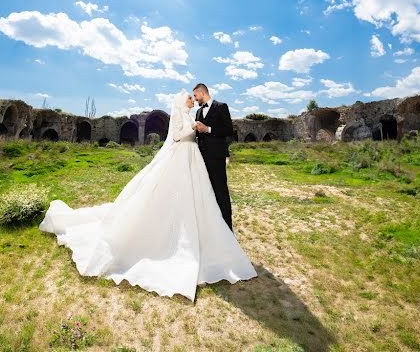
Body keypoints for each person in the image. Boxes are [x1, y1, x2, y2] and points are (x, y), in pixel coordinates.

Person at [39, 89, 257, 301]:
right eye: (190, 98)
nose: (193, 100)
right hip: (182, 157)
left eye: (194, 96)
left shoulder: (198, 112)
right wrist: (193, 128)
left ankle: (215, 232)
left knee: (204, 196)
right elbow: (177, 137)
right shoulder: (185, 116)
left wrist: (202, 130)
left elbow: (213, 132)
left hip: (196, 160)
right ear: (183, 102)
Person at [192, 83, 235, 231]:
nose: (195, 99)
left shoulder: (221, 106)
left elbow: (229, 130)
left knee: (220, 191)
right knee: (205, 191)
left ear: (202, 93)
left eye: (196, 96)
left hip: (216, 157)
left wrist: (208, 129)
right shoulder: (198, 112)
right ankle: (211, 228)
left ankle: (227, 229)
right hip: (201, 158)